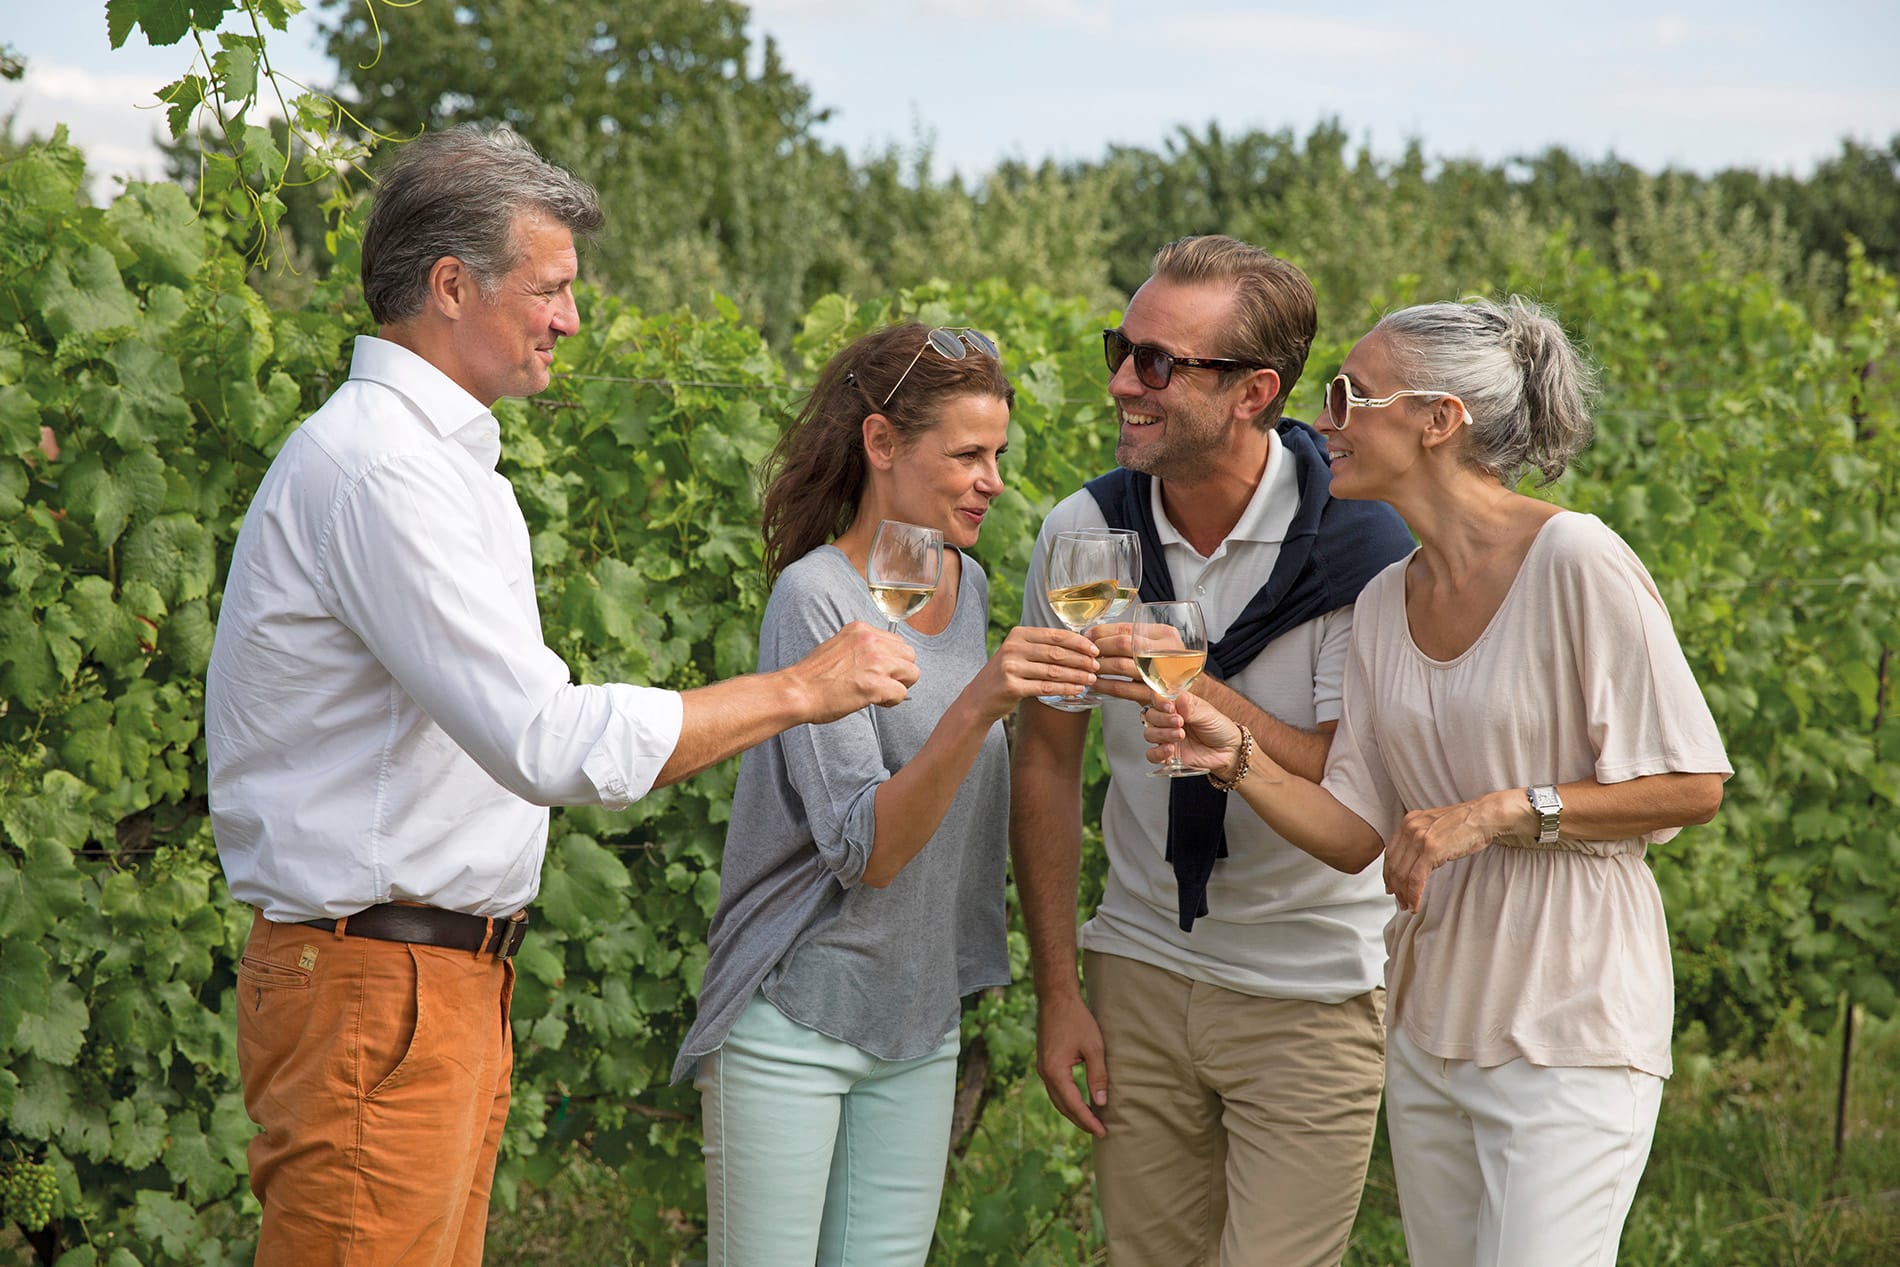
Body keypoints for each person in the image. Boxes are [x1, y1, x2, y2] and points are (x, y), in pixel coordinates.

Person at [203, 125, 919, 1267]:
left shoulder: (434, 465)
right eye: (552, 287)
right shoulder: (384, 469)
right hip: (379, 992)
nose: (572, 319)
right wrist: (797, 689)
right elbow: (544, 739)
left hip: (424, 987)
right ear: (451, 286)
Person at [1140, 296, 1730, 1266]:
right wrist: (1233, 757)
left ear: (1437, 419)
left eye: (1349, 394)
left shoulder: (1574, 559)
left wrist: (1501, 813)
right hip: (1429, 1026)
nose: (1323, 418)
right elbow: (1352, 829)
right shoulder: (1381, 601)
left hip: (1572, 1024)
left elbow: (1690, 784)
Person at [1011, 235, 1417, 1266]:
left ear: (1254, 393)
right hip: (1139, 968)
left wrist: (1193, 686)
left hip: (1311, 989)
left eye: (1157, 363)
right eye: (1122, 347)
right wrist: (1061, 988)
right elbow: (1047, 764)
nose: (1119, 383)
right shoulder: (1083, 534)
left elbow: (1348, 777)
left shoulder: (1361, 545)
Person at [670, 322, 1099, 1266]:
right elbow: (870, 847)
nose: (993, 479)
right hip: (795, 1013)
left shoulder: (971, 583)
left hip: (916, 1021)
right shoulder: (816, 597)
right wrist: (987, 696)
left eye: (1000, 454)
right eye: (969, 454)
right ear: (880, 445)